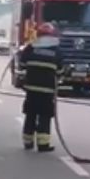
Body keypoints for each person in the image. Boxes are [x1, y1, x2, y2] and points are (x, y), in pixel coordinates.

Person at [20, 22, 62, 152]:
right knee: (44, 116)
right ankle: (43, 145)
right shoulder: (56, 50)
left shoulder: (31, 47)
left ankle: (28, 142)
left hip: (31, 89)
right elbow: (60, 71)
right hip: (47, 90)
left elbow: (22, 64)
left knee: (30, 115)